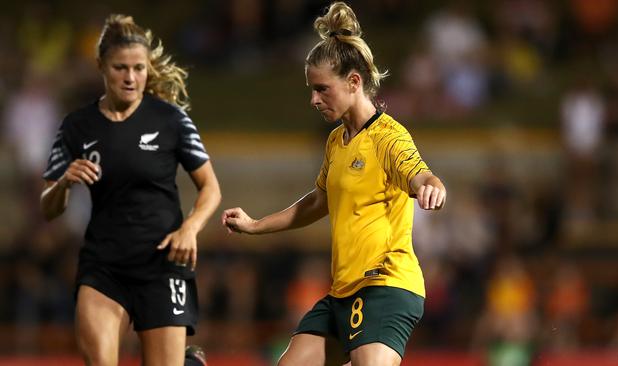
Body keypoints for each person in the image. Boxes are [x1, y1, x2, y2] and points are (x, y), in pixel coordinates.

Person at [221, 3, 446, 365]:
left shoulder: (389, 137)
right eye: (312, 89)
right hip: (343, 292)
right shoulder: (337, 141)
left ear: (354, 82)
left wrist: (432, 186)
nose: (314, 99)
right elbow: (317, 202)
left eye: (322, 89)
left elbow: (420, 174)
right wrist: (255, 225)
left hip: (384, 286)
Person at [40, 14, 220, 366]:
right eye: (121, 68)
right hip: (104, 267)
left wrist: (190, 228)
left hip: (163, 264)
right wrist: (64, 182)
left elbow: (210, 188)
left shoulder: (171, 120)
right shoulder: (77, 126)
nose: (131, 77)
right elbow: (48, 208)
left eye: (139, 68)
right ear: (101, 67)